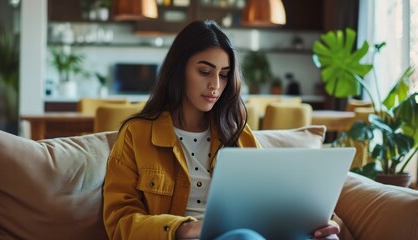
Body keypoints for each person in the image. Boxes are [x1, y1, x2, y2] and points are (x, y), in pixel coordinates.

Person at [103, 19, 340, 240]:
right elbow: (119, 221)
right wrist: (186, 228)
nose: (215, 85)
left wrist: (322, 222)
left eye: (224, 75)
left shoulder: (238, 134)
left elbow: (271, 198)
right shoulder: (137, 134)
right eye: (205, 72)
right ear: (179, 70)